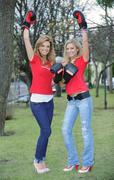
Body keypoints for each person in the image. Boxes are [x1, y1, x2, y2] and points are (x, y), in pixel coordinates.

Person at [22, 10, 62, 174]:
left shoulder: (52, 62)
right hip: (37, 101)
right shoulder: (34, 59)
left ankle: (42, 160)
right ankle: (37, 160)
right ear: (38, 47)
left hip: (49, 101)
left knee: (45, 132)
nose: (45, 48)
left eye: (48, 46)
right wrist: (27, 25)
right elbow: (26, 40)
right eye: (43, 46)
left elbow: (53, 81)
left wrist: (59, 77)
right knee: (46, 130)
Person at [61, 10, 94, 173]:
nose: (70, 50)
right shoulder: (64, 65)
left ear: (77, 48)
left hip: (83, 100)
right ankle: (73, 161)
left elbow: (86, 44)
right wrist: (58, 79)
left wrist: (83, 28)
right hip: (71, 101)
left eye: (72, 48)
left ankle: (87, 163)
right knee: (65, 130)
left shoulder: (82, 59)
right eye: (68, 48)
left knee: (86, 131)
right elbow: (62, 84)